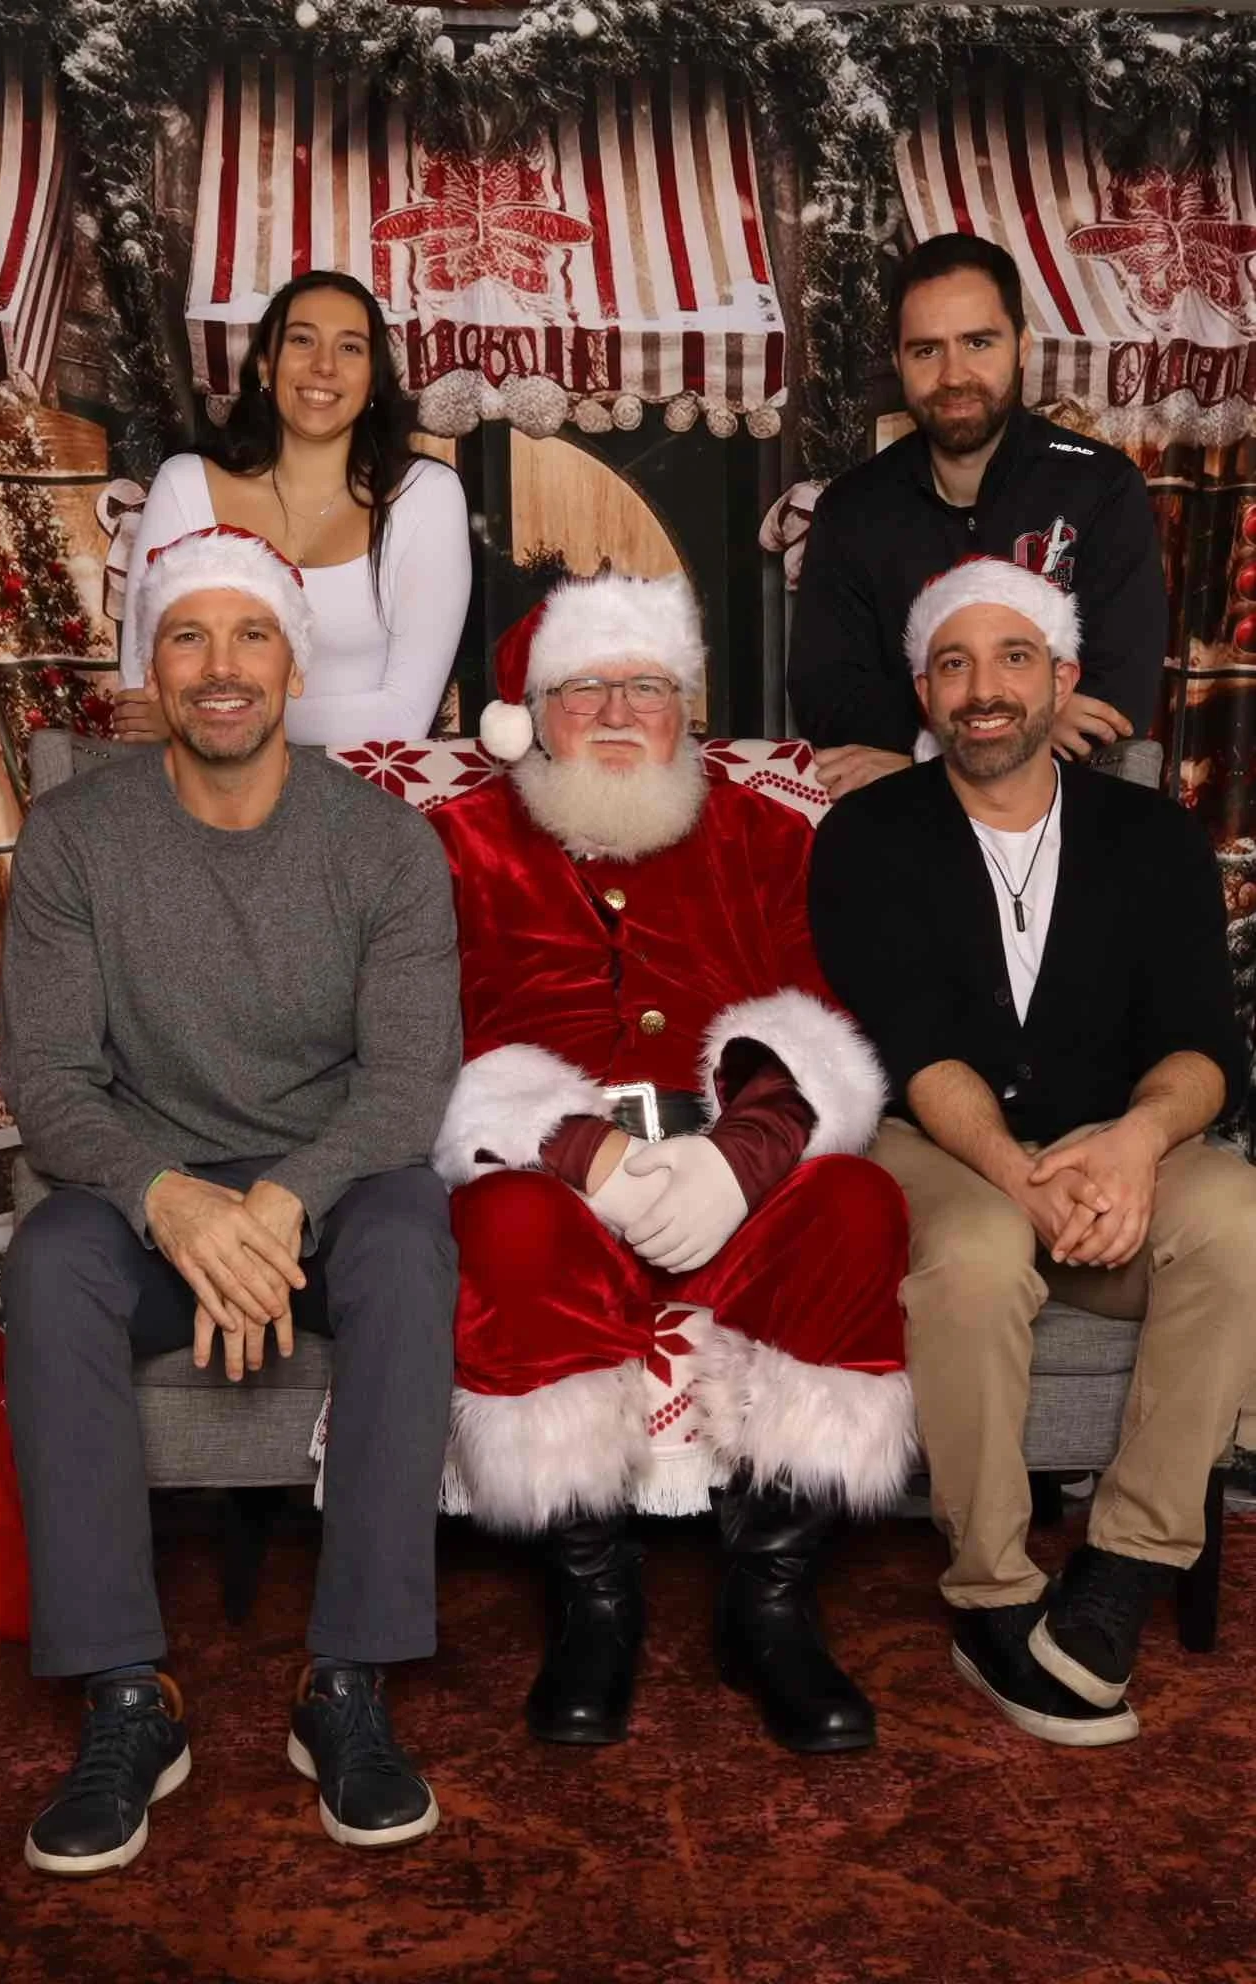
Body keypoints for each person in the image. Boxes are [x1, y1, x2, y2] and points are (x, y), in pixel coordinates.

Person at [0, 524, 461, 1873]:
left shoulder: (383, 846)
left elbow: (407, 1083)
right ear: (153, 659)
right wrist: (175, 1207)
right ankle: (127, 1694)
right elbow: (49, 1078)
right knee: (47, 1262)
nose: (219, 667)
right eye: (187, 635)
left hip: (327, 1193)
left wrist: (269, 1209)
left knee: (406, 1245)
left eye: (249, 634)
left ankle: (349, 1684)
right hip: (150, 1204)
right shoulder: (77, 835)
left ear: (290, 664)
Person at [427, 570, 914, 1757]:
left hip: (727, 1143)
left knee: (855, 1200)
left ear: (685, 709)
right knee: (508, 1230)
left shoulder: (759, 831)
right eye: (583, 685)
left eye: (646, 686)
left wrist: (741, 1156)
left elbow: (814, 1007)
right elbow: (419, 1041)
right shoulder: (452, 842)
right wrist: (578, 1148)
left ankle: (771, 1603)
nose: (614, 710)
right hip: (545, 1159)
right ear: (531, 714)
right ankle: (594, 1599)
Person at [809, 556, 1256, 1747]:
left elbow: (1208, 1043)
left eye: (1013, 659)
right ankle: (995, 1591)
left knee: (1239, 1219)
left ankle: (1126, 1562)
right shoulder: (868, 834)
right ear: (924, 692)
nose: (984, 688)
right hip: (945, 1144)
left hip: (1117, 1142)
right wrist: (1022, 1175)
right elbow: (912, 1043)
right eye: (954, 664)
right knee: (977, 1256)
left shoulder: (1154, 837)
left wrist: (1137, 1143)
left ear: (1061, 682)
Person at [787, 233, 1168, 802]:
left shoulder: (1099, 486)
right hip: (909, 825)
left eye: (978, 342)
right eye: (926, 350)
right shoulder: (852, 507)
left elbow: (1115, 702)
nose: (954, 374)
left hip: (1072, 820)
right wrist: (1019, 728)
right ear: (897, 361)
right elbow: (829, 697)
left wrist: (921, 748)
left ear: (1022, 346)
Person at [117, 270, 471, 747]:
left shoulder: (426, 496)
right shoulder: (186, 485)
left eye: (350, 348)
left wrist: (209, 722)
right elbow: (144, 697)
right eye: (302, 340)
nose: (324, 365)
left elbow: (404, 716)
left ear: (372, 380)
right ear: (266, 365)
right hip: (204, 798)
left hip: (365, 799)